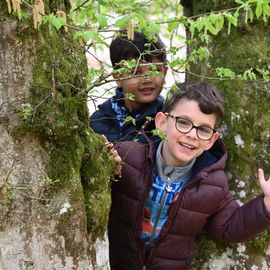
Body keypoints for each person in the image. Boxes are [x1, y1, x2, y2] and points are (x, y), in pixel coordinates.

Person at [108, 82, 270, 270]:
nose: (192, 135)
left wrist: (265, 206)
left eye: (203, 129)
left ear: (211, 140)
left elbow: (228, 227)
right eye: (183, 122)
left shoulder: (213, 183)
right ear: (162, 123)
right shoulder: (127, 157)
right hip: (117, 262)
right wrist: (105, 164)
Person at [90, 30, 168, 143]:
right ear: (118, 77)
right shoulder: (98, 121)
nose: (147, 79)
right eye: (136, 72)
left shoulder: (169, 121)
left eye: (155, 70)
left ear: (165, 72)